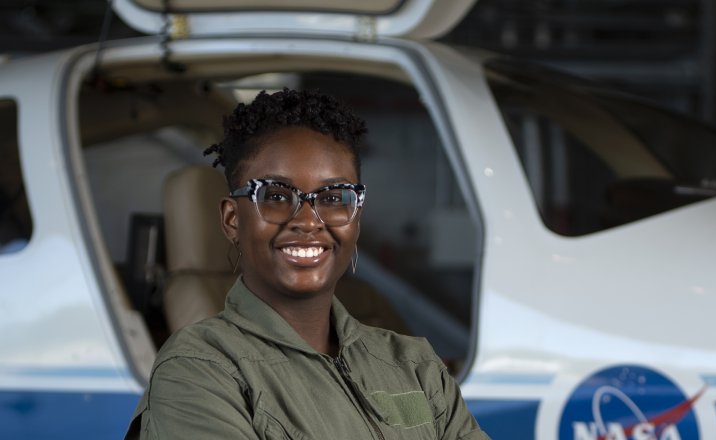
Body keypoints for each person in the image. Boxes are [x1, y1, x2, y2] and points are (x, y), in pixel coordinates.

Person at [125, 88, 490, 439]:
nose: (309, 220)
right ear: (233, 218)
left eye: (333, 197)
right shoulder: (199, 370)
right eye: (277, 195)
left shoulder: (414, 364)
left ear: (356, 218)